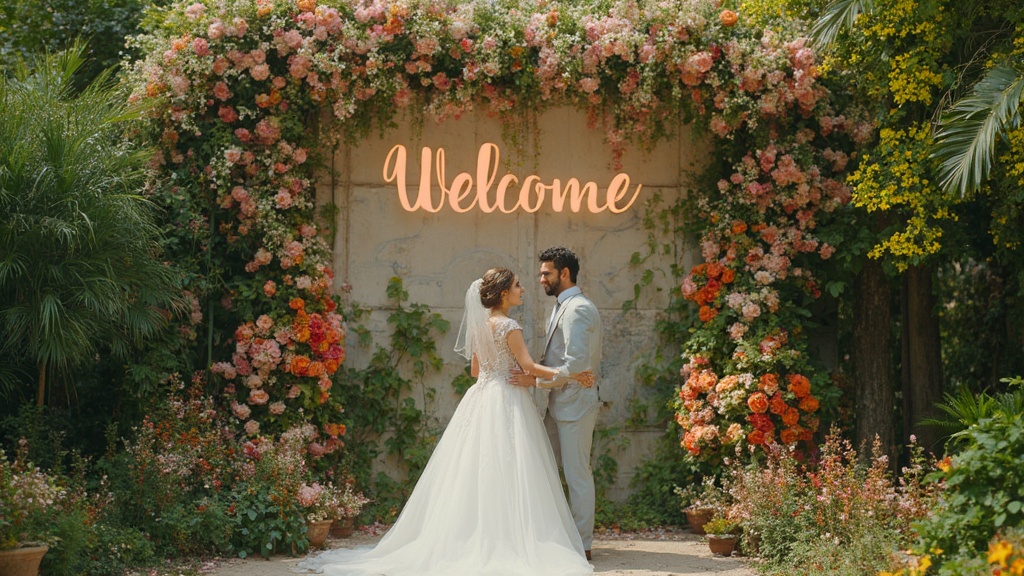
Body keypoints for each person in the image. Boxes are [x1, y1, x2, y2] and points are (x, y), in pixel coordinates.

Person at [300, 268, 593, 576]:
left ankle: (477, 536)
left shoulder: (482, 326)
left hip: (481, 399)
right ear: (504, 293)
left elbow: (475, 372)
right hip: (507, 399)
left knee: (477, 471)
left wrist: (504, 373)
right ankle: (507, 536)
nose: (523, 289)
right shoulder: (509, 325)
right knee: (513, 468)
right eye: (518, 285)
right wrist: (571, 374)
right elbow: (530, 365)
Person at [513, 247, 603, 561]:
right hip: (558, 402)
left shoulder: (577, 308)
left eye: (546, 273)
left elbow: (576, 366)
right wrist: (531, 368)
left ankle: (583, 544)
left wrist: (535, 380)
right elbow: (559, 360)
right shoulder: (561, 306)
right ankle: (551, 536)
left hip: (576, 404)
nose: (540, 279)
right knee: (543, 468)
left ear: (564, 273)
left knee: (577, 474)